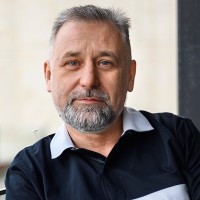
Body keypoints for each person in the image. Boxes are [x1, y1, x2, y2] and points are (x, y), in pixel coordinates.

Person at [5, 5, 200, 200]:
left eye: (105, 62)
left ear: (130, 75)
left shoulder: (178, 137)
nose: (89, 80)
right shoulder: (30, 172)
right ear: (49, 76)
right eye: (73, 63)